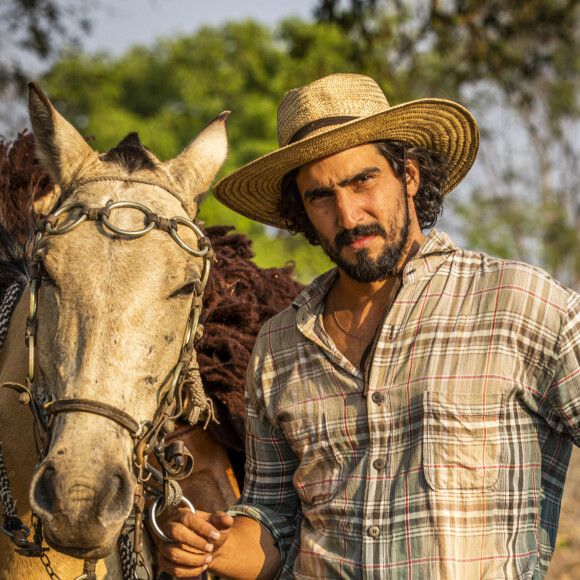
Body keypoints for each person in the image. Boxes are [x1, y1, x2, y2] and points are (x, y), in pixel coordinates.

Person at [157, 73, 580, 579]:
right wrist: (209, 549)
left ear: (410, 175)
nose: (348, 214)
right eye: (320, 196)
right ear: (302, 213)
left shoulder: (520, 304)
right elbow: (275, 525)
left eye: (363, 180)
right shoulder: (279, 346)